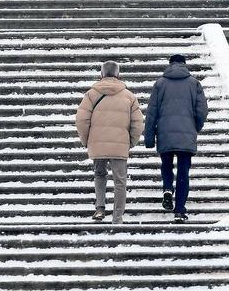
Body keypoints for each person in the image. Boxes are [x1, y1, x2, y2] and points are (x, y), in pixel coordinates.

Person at [75, 61, 144, 224]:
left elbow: (81, 120)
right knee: (120, 181)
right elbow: (138, 123)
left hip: (97, 143)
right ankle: (117, 217)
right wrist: (130, 143)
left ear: (101, 74)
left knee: (99, 174)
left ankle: (100, 208)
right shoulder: (129, 96)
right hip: (120, 145)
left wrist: (87, 141)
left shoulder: (91, 94)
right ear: (118, 75)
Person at [143, 54, 209, 223]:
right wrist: (195, 127)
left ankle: (167, 188)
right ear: (184, 65)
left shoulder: (160, 84)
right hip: (186, 134)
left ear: (170, 64)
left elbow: (152, 113)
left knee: (166, 165)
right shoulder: (194, 84)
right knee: (183, 172)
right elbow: (202, 111)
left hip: (165, 133)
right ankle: (179, 210)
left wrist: (149, 137)